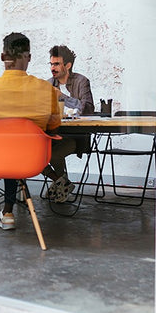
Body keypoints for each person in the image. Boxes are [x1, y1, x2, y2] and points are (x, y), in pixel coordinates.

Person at [0, 32, 61, 231]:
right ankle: (8, 211)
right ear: (29, 57)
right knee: (16, 149)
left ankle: (7, 212)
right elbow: (53, 128)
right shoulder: (46, 90)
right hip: (32, 161)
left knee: (5, 149)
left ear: (2, 57)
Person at [44, 44, 95, 202]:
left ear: (68, 65)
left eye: (57, 64)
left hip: (76, 137)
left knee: (52, 155)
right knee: (34, 153)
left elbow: (88, 109)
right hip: (52, 135)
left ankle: (60, 184)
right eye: (51, 64)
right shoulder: (48, 83)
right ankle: (62, 184)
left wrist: (63, 97)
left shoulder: (81, 81)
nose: (53, 68)